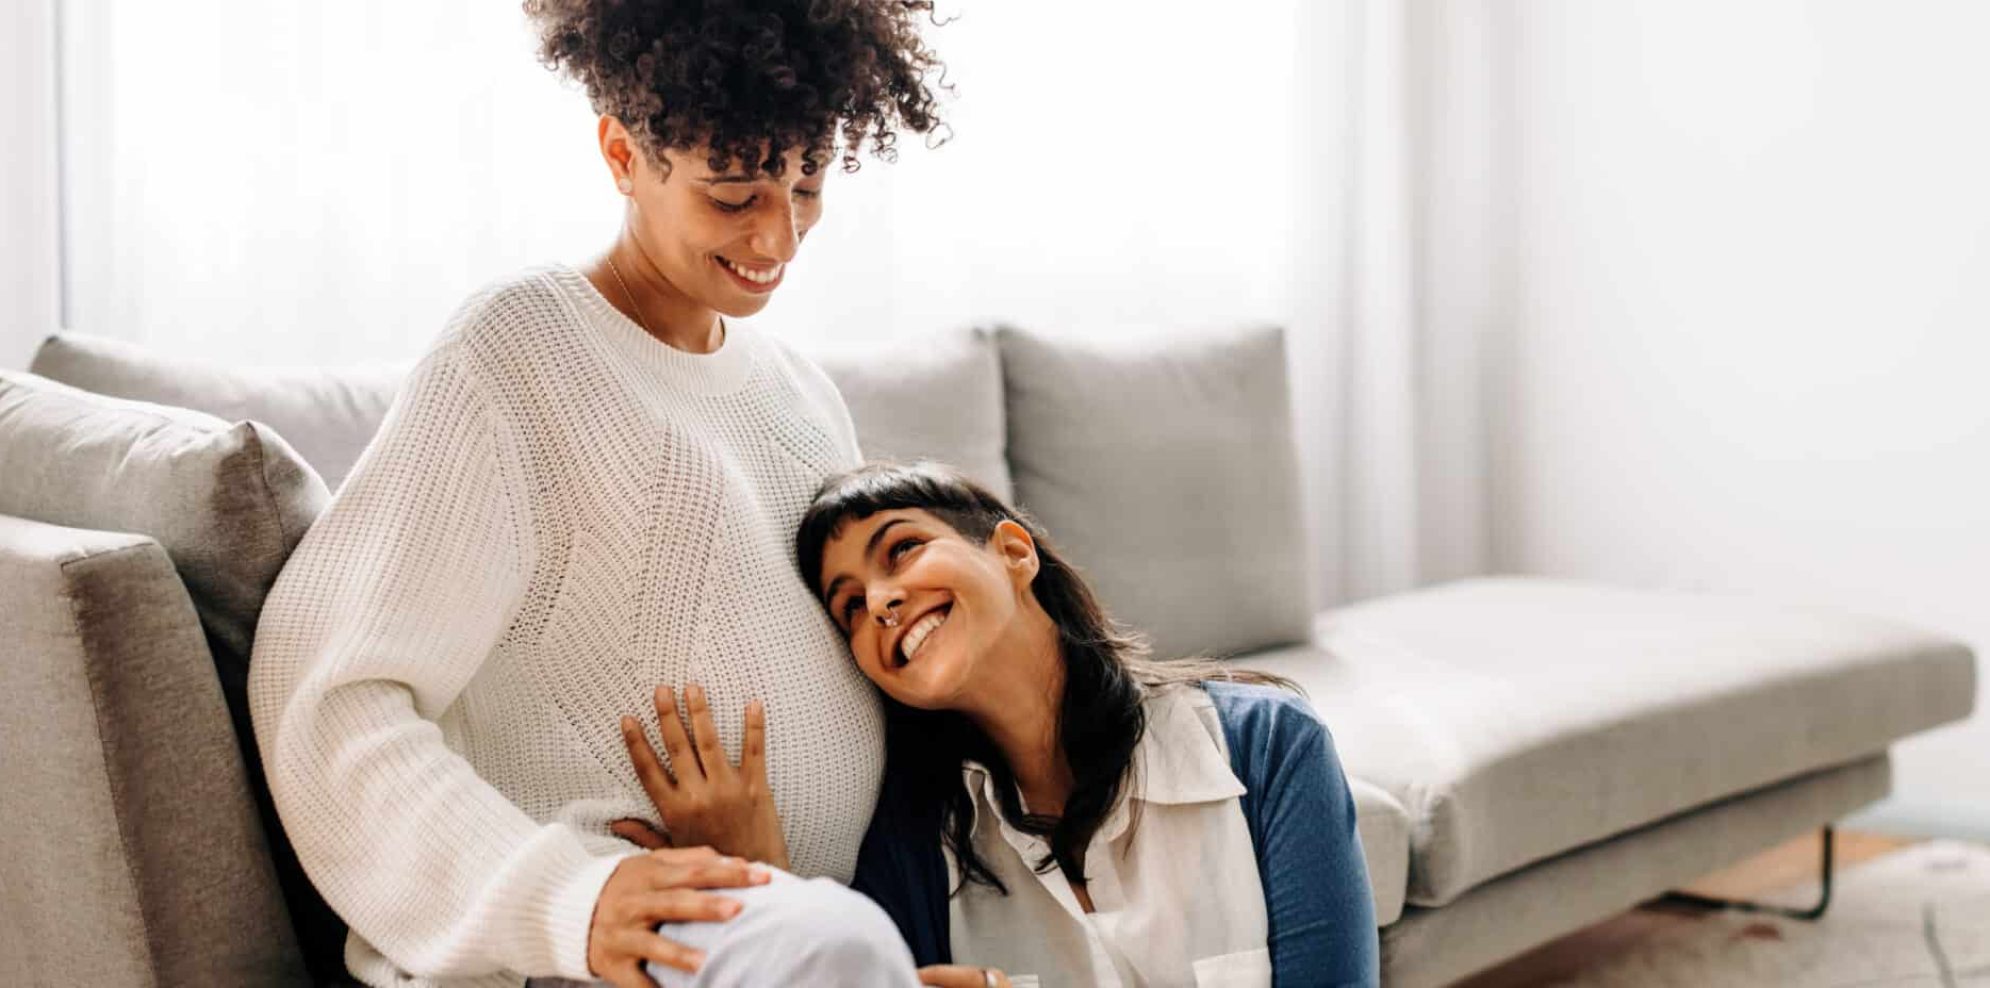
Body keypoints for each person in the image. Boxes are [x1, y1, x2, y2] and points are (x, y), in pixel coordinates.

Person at [246, 3, 948, 986]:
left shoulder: (803, 396)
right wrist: (566, 903)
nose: (780, 234)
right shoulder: (518, 351)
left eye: (808, 182)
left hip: (795, 921)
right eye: (734, 191)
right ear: (623, 156)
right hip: (625, 942)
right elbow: (324, 696)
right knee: (843, 946)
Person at [620, 462, 1382, 986]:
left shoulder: (1269, 747)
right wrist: (767, 887)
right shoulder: (914, 845)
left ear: (1013, 551)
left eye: (903, 550)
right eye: (850, 605)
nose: (880, 601)